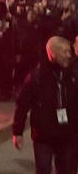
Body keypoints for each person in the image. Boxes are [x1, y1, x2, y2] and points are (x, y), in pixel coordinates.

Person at [12, 36, 78, 174]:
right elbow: (22, 104)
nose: (69, 55)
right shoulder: (36, 77)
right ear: (53, 54)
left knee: (66, 169)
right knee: (43, 170)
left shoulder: (72, 75)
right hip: (44, 135)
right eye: (64, 51)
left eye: (69, 51)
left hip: (67, 133)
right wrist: (17, 131)